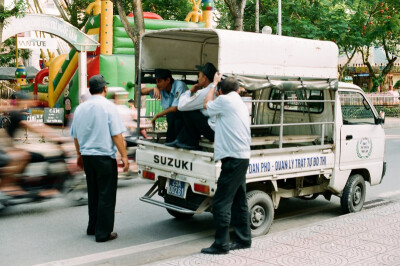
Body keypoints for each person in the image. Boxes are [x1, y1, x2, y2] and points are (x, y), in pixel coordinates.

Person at [70, 74, 129, 243]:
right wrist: (124, 156)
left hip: (88, 157)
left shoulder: (80, 108)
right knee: (106, 195)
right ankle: (103, 233)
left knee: (93, 193)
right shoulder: (108, 107)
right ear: (105, 88)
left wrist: (79, 154)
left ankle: (93, 227)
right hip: (103, 157)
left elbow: (75, 135)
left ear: (90, 89)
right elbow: (117, 134)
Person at [200, 74, 252, 255]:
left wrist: (213, 85)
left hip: (233, 159)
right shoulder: (239, 101)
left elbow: (206, 105)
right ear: (238, 90)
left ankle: (221, 244)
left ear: (221, 92)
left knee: (221, 202)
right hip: (241, 157)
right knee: (239, 200)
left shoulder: (225, 100)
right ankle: (243, 239)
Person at [166, 62, 217, 149]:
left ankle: (188, 142)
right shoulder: (213, 89)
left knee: (186, 111)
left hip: (213, 132)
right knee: (177, 113)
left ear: (205, 78)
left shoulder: (205, 92)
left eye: (199, 76)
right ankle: (180, 140)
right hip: (215, 129)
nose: (198, 79)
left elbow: (182, 106)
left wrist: (190, 91)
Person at [141, 69, 188, 143]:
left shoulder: (179, 86)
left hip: (187, 119)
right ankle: (171, 142)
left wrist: (157, 115)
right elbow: (141, 91)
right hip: (173, 121)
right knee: (171, 117)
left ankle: (171, 142)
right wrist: (153, 88)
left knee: (172, 115)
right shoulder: (160, 88)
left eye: (159, 81)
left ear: (168, 80)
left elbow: (174, 108)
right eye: (156, 82)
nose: (157, 84)